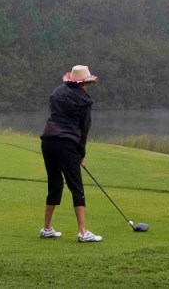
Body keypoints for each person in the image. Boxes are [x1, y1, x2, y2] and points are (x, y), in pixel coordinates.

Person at [39, 65, 102, 242]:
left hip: (48, 141)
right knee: (76, 187)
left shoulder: (57, 93)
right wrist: (81, 153)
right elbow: (84, 129)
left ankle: (46, 228)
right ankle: (83, 232)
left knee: (55, 184)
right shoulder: (84, 100)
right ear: (84, 83)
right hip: (67, 143)